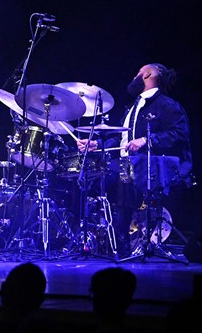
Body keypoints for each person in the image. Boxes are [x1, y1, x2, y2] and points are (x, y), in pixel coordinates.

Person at [77, 63, 192, 255]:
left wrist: (147, 140)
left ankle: (121, 239)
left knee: (123, 173)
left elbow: (180, 134)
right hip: (128, 163)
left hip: (150, 164)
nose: (135, 76)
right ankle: (103, 235)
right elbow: (123, 139)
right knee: (89, 174)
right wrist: (96, 144)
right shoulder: (133, 106)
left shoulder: (167, 105)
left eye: (138, 72)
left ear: (147, 74)